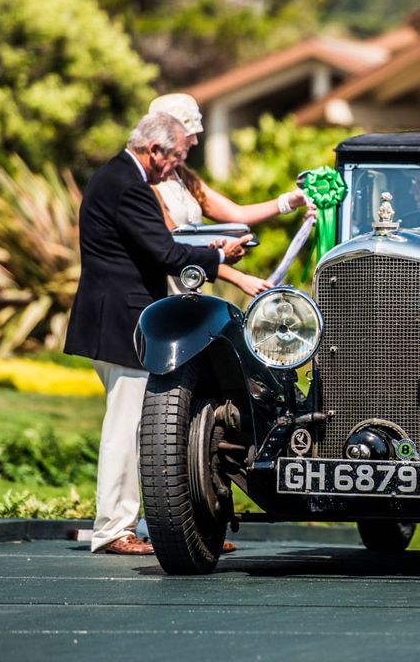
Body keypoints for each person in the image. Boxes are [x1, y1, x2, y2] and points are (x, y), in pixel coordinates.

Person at [64, 112, 251, 557]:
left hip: (116, 316)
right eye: (177, 157)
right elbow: (164, 251)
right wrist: (219, 254)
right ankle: (113, 529)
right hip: (120, 320)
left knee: (144, 428)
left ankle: (158, 526)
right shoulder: (128, 185)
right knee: (126, 428)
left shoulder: (117, 176)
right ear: (155, 151)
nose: (175, 168)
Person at [146, 93, 311, 297]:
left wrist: (291, 201)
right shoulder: (147, 185)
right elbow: (174, 246)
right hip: (161, 296)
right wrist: (239, 278)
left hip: (188, 293)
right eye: (190, 134)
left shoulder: (182, 176)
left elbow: (236, 214)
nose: (196, 141)